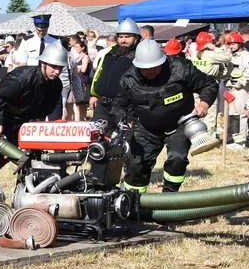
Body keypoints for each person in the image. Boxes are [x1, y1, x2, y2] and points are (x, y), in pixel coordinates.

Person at [112, 39, 217, 194]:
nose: (151, 72)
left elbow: (209, 84)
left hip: (180, 125)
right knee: (136, 164)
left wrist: (203, 104)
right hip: (146, 128)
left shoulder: (181, 68)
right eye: (146, 70)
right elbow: (118, 105)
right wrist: (122, 121)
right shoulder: (128, 79)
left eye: (155, 67)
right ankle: (133, 201)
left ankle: (169, 196)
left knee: (177, 158)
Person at [0, 41, 66, 183]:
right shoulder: (22, 77)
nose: (57, 71)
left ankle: (26, 191)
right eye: (54, 67)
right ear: (43, 63)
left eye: (60, 68)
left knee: (32, 158)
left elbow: (47, 111)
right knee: (4, 152)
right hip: (4, 116)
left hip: (27, 119)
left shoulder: (56, 85)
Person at [90, 18, 141, 129]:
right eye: (121, 37)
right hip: (103, 105)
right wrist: (94, 95)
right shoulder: (109, 52)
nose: (123, 40)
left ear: (136, 37)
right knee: (96, 137)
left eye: (127, 37)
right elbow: (99, 74)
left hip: (126, 107)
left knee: (124, 141)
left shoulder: (140, 55)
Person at [190, 31, 233, 137]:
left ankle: (198, 132)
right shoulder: (211, 54)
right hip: (209, 83)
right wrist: (215, 48)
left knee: (198, 108)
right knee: (210, 109)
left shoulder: (194, 55)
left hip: (195, 84)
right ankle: (209, 135)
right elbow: (228, 58)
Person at [226, 32, 249, 149]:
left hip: (241, 89)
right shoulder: (231, 56)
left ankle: (241, 141)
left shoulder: (247, 56)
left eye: (234, 44)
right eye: (230, 44)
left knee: (241, 114)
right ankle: (236, 139)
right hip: (231, 88)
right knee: (233, 114)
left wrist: (241, 82)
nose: (231, 46)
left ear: (239, 44)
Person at [67, 37, 92, 120]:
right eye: (75, 47)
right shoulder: (76, 57)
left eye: (77, 47)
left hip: (83, 82)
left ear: (83, 48)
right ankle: (79, 119)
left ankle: (82, 118)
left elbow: (84, 69)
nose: (76, 49)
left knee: (82, 102)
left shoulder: (85, 57)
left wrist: (76, 68)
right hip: (77, 81)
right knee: (77, 102)